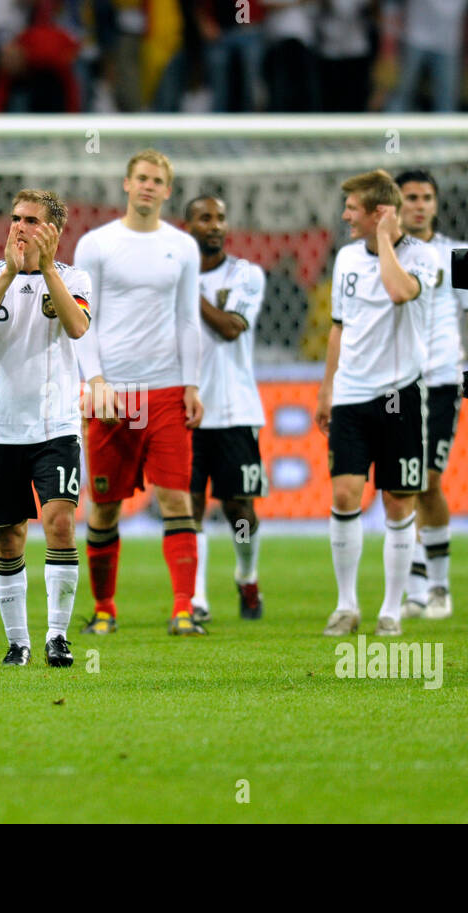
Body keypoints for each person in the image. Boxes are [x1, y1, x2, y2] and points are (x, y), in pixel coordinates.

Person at [73, 149, 206, 636]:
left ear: (167, 191)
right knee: (104, 505)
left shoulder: (183, 247)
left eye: (158, 180)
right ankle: (105, 609)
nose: (149, 186)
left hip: (167, 391)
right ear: (126, 185)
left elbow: (188, 319)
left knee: (177, 500)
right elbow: (83, 319)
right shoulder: (97, 244)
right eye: (142, 178)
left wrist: (192, 384)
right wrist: (96, 381)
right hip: (115, 394)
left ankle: (183, 609)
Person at [0, 189, 92, 666]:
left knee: (59, 522)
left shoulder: (74, 277)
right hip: (0, 428)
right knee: (8, 536)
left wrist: (47, 270)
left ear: (53, 230)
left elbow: (77, 327)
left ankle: (58, 636)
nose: (19, 226)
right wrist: (11, 275)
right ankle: (18, 643)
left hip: (55, 425)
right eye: (15, 218)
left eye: (31, 220)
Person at [316, 169, 438, 637]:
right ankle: (346, 605)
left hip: (399, 393)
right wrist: (327, 387)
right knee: (345, 494)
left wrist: (388, 241)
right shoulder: (346, 257)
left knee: (397, 501)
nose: (345, 215)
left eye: (353, 208)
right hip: (350, 394)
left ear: (379, 214)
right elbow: (338, 325)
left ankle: (390, 607)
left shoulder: (423, 257)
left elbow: (399, 291)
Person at [394, 170, 468, 620]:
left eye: (426, 197)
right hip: (392, 386)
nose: (419, 204)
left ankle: (437, 587)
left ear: (436, 203)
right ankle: (415, 589)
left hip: (438, 382)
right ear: (395, 204)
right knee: (402, 483)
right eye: (410, 197)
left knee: (427, 481)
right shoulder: (381, 256)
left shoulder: (460, 255)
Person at [182, 195, 269, 623]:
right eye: (204, 218)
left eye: (220, 217)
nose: (215, 225)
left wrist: (187, 292)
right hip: (185, 410)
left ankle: (247, 575)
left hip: (234, 409)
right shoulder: (171, 277)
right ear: (188, 225)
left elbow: (232, 328)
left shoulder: (245, 274)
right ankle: (196, 600)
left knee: (239, 509)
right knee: (190, 505)